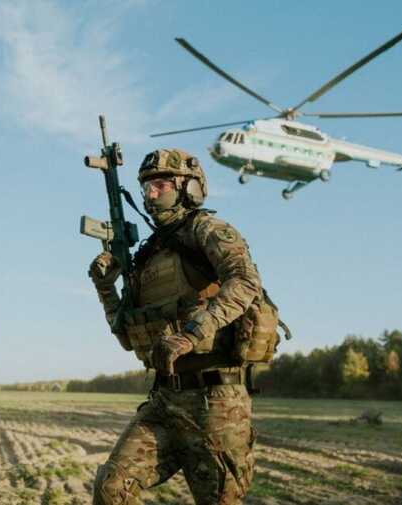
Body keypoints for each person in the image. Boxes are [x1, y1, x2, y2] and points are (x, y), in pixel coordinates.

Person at [89, 148, 270, 505]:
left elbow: (246, 282)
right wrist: (105, 287)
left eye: (161, 184)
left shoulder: (208, 230)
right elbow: (127, 335)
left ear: (190, 188)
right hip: (165, 400)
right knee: (112, 489)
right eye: (147, 187)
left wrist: (189, 336)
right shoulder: (148, 255)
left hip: (216, 403)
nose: (151, 194)